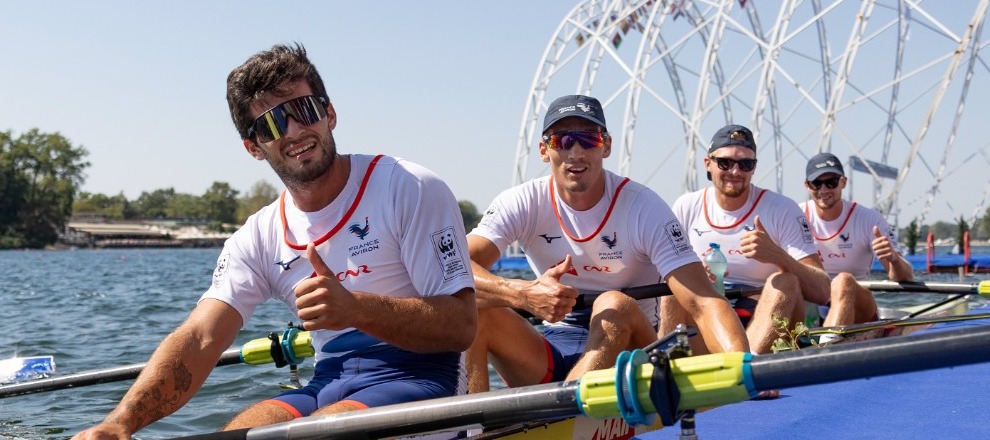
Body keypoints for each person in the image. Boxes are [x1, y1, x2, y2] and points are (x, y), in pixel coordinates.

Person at [73, 43, 476, 438]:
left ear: (329, 113)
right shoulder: (257, 236)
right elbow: (200, 337)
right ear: (253, 148)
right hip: (328, 383)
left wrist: (356, 309)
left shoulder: (409, 186)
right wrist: (120, 422)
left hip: (424, 377)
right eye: (271, 124)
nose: (295, 131)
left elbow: (461, 326)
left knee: (315, 434)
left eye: (303, 110)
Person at [465, 95, 748, 393]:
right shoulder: (520, 202)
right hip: (555, 346)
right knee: (476, 308)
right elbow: (452, 269)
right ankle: (473, 429)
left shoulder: (643, 207)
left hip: (632, 349)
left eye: (589, 139)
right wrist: (521, 294)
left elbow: (703, 300)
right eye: (563, 140)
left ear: (606, 146)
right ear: (544, 150)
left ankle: (567, 412)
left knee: (613, 303)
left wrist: (745, 369)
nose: (576, 152)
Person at [662, 124, 831, 354]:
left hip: (763, 314)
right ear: (708, 164)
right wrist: (690, 272)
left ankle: (746, 368)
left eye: (745, 164)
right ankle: (666, 366)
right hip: (709, 314)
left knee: (786, 281)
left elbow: (822, 291)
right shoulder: (686, 206)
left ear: (754, 168)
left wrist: (778, 255)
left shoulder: (782, 209)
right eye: (725, 162)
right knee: (674, 282)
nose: (735, 171)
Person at [799, 153, 914, 330]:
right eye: (817, 183)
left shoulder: (869, 219)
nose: (824, 190)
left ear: (843, 182)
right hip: (811, 303)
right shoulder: (795, 216)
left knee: (843, 281)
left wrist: (895, 260)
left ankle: (826, 348)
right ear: (807, 186)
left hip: (858, 303)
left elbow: (905, 277)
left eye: (831, 182)